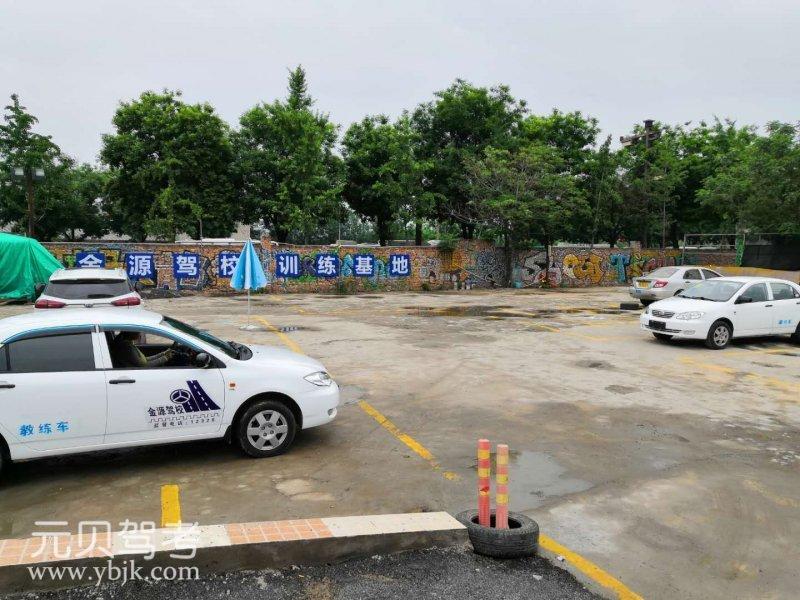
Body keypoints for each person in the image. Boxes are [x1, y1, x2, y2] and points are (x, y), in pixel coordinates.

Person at [110, 331, 175, 368]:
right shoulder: (126, 348)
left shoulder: (128, 344)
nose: (140, 334)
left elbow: (144, 360)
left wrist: (163, 354)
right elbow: (144, 365)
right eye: (138, 332)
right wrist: (165, 358)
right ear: (130, 333)